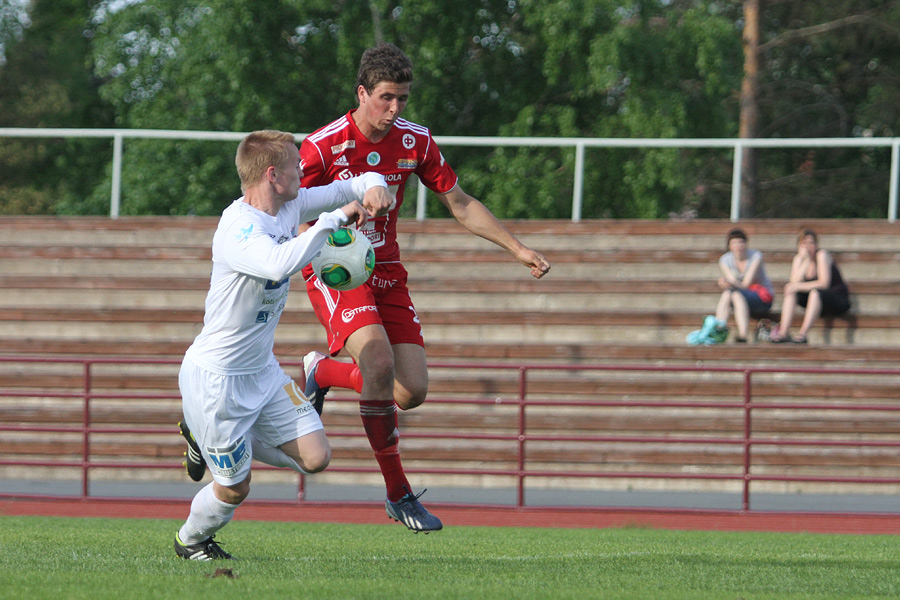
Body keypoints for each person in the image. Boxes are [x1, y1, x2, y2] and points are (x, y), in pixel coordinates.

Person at [296, 42, 551, 533]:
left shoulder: (415, 141)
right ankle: (399, 495)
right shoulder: (323, 145)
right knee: (378, 362)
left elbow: (458, 200)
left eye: (404, 99)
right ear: (362, 92)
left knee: (410, 391)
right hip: (335, 268)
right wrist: (336, 227)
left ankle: (321, 372)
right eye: (387, 98)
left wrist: (516, 249)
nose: (395, 109)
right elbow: (293, 215)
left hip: (387, 270)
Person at [174, 129, 392, 560]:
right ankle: (191, 540)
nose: (303, 170)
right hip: (218, 382)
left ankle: (204, 435)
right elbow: (279, 264)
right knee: (235, 487)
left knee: (316, 457)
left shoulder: (287, 206)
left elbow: (349, 183)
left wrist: (373, 187)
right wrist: (332, 221)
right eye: (296, 165)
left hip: (262, 371)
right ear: (273, 175)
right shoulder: (237, 228)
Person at [769, 228, 850, 344]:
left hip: (836, 298)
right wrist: (805, 261)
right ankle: (783, 332)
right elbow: (793, 284)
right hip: (815, 301)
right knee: (791, 291)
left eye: (811, 243)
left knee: (815, 292)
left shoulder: (821, 255)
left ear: (816, 244)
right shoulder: (798, 259)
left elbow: (823, 283)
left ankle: (802, 334)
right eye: (804, 243)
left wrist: (797, 286)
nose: (808, 246)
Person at [714, 228, 774, 342]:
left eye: (741, 242)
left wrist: (727, 282)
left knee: (735, 294)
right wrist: (726, 283)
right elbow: (733, 282)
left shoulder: (756, 256)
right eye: (734, 243)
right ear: (729, 246)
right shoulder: (725, 259)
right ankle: (718, 329)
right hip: (740, 296)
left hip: (761, 297)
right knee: (728, 294)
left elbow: (746, 283)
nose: (738, 246)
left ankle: (743, 334)